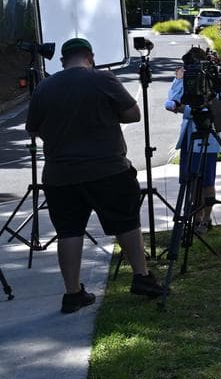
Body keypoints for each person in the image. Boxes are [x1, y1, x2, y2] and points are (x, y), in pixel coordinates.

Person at [25, 38, 165, 312]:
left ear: (62, 61)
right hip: (108, 169)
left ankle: (72, 293)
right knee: (126, 223)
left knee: (68, 232)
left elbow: (33, 129)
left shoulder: (44, 87)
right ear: (91, 56)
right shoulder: (103, 79)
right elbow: (133, 114)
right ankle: (141, 277)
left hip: (60, 175)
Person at [164, 47, 221, 235]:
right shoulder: (186, 78)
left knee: (206, 182)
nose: (188, 69)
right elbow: (173, 100)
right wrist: (178, 80)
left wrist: (185, 110)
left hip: (207, 139)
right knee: (191, 181)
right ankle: (194, 218)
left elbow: (211, 109)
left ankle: (205, 219)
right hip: (190, 139)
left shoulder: (211, 79)